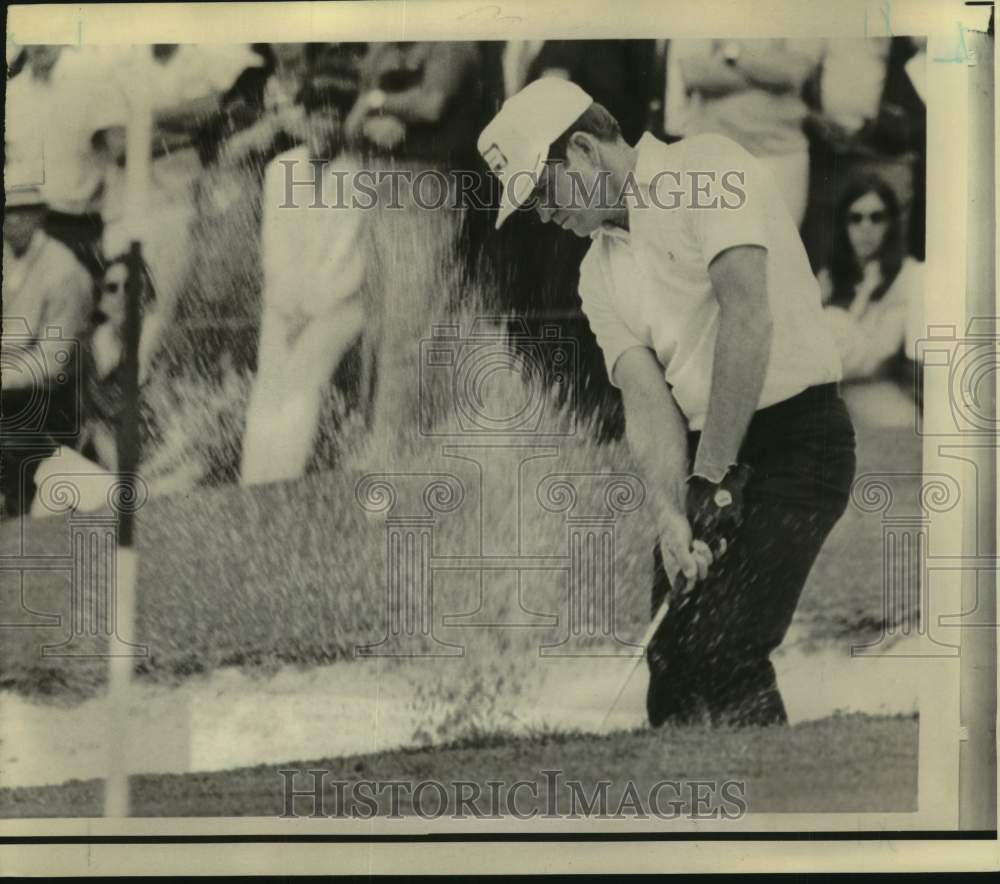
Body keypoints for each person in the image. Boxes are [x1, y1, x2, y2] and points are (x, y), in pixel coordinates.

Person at [477, 79, 856, 727]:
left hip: (800, 445)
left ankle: (774, 812)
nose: (543, 215)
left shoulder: (705, 166)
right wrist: (670, 513)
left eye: (542, 192)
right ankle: (678, 814)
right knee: (673, 660)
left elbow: (748, 318)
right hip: (710, 460)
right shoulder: (595, 273)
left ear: (583, 152)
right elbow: (646, 399)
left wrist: (715, 478)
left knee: (726, 647)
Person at [239, 74, 367, 486]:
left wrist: (310, 310)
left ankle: (284, 486)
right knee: (269, 380)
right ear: (305, 118)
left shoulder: (361, 173)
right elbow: (274, 249)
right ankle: (253, 488)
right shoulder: (281, 169)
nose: (327, 127)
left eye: (336, 117)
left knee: (302, 381)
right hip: (285, 302)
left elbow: (348, 259)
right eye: (320, 115)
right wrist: (288, 306)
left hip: (340, 304)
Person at [1, 184, 93, 517]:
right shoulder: (8, 258)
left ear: (40, 214)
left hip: (50, 398)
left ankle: (18, 510)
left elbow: (52, 362)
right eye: (7, 211)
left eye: (21, 211)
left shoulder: (62, 270)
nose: (12, 220)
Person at [672, 38, 824, 225]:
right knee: (707, 248)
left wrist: (731, 53)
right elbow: (694, 72)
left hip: (781, 155)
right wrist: (768, 75)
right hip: (712, 154)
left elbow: (793, 72)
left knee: (780, 251)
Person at [818, 175, 923, 385]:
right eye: (856, 218)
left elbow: (881, 355)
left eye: (876, 217)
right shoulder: (830, 274)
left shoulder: (908, 275)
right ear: (844, 225)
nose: (865, 227)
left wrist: (864, 297)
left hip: (867, 381)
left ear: (890, 223)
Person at [78, 257, 160, 473]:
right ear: (102, 300)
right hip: (102, 465)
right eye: (112, 288)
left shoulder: (159, 350)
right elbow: (92, 425)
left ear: (147, 296)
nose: (123, 296)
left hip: (153, 464)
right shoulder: (87, 351)